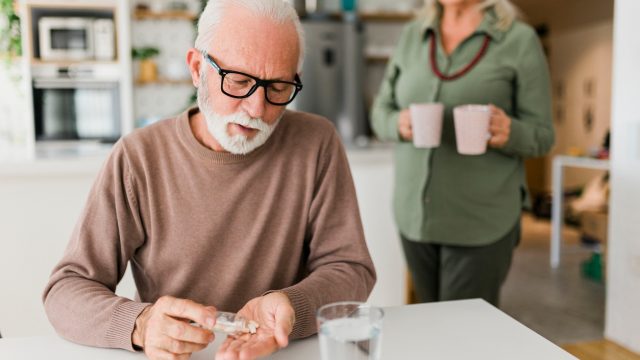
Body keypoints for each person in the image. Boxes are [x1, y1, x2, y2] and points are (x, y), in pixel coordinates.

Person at [43, 1, 376, 359]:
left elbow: (350, 269)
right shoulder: (138, 157)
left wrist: (291, 306)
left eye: (278, 87)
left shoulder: (317, 143)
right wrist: (140, 324)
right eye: (239, 81)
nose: (257, 108)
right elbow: (65, 291)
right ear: (197, 68)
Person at [371, 0, 553, 306]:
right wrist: (396, 123)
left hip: (481, 219)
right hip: (415, 216)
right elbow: (380, 111)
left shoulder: (518, 39)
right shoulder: (412, 35)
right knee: (430, 322)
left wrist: (510, 131)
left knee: (464, 336)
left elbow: (544, 136)